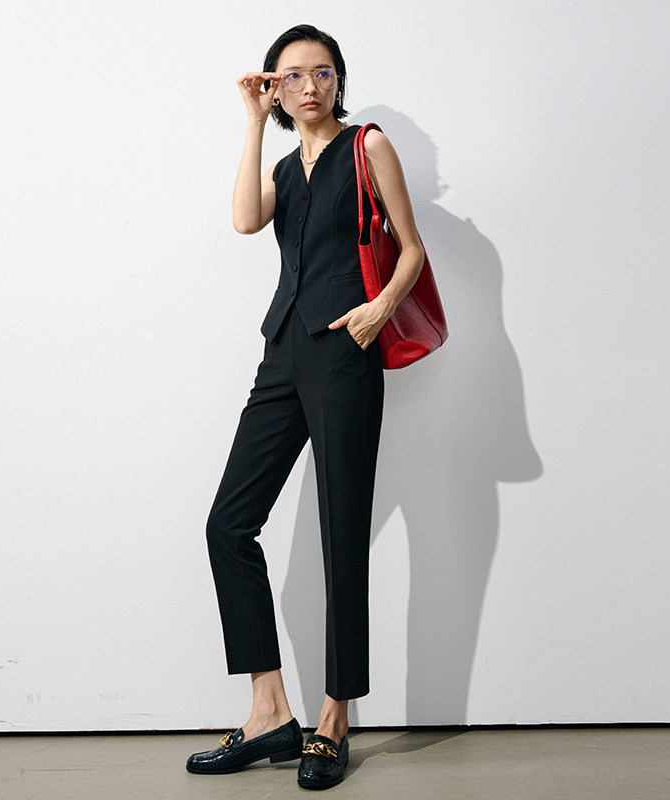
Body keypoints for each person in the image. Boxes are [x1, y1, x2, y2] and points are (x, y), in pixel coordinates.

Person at [186, 24, 424, 790]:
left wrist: (379, 310)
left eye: (322, 72)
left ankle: (333, 718)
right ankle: (269, 713)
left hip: (346, 351)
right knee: (229, 524)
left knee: (340, 534)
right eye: (292, 76)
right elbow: (243, 219)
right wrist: (253, 122)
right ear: (276, 88)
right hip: (283, 352)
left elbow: (412, 248)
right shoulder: (285, 169)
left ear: (339, 81)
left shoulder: (368, 147)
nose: (310, 86)